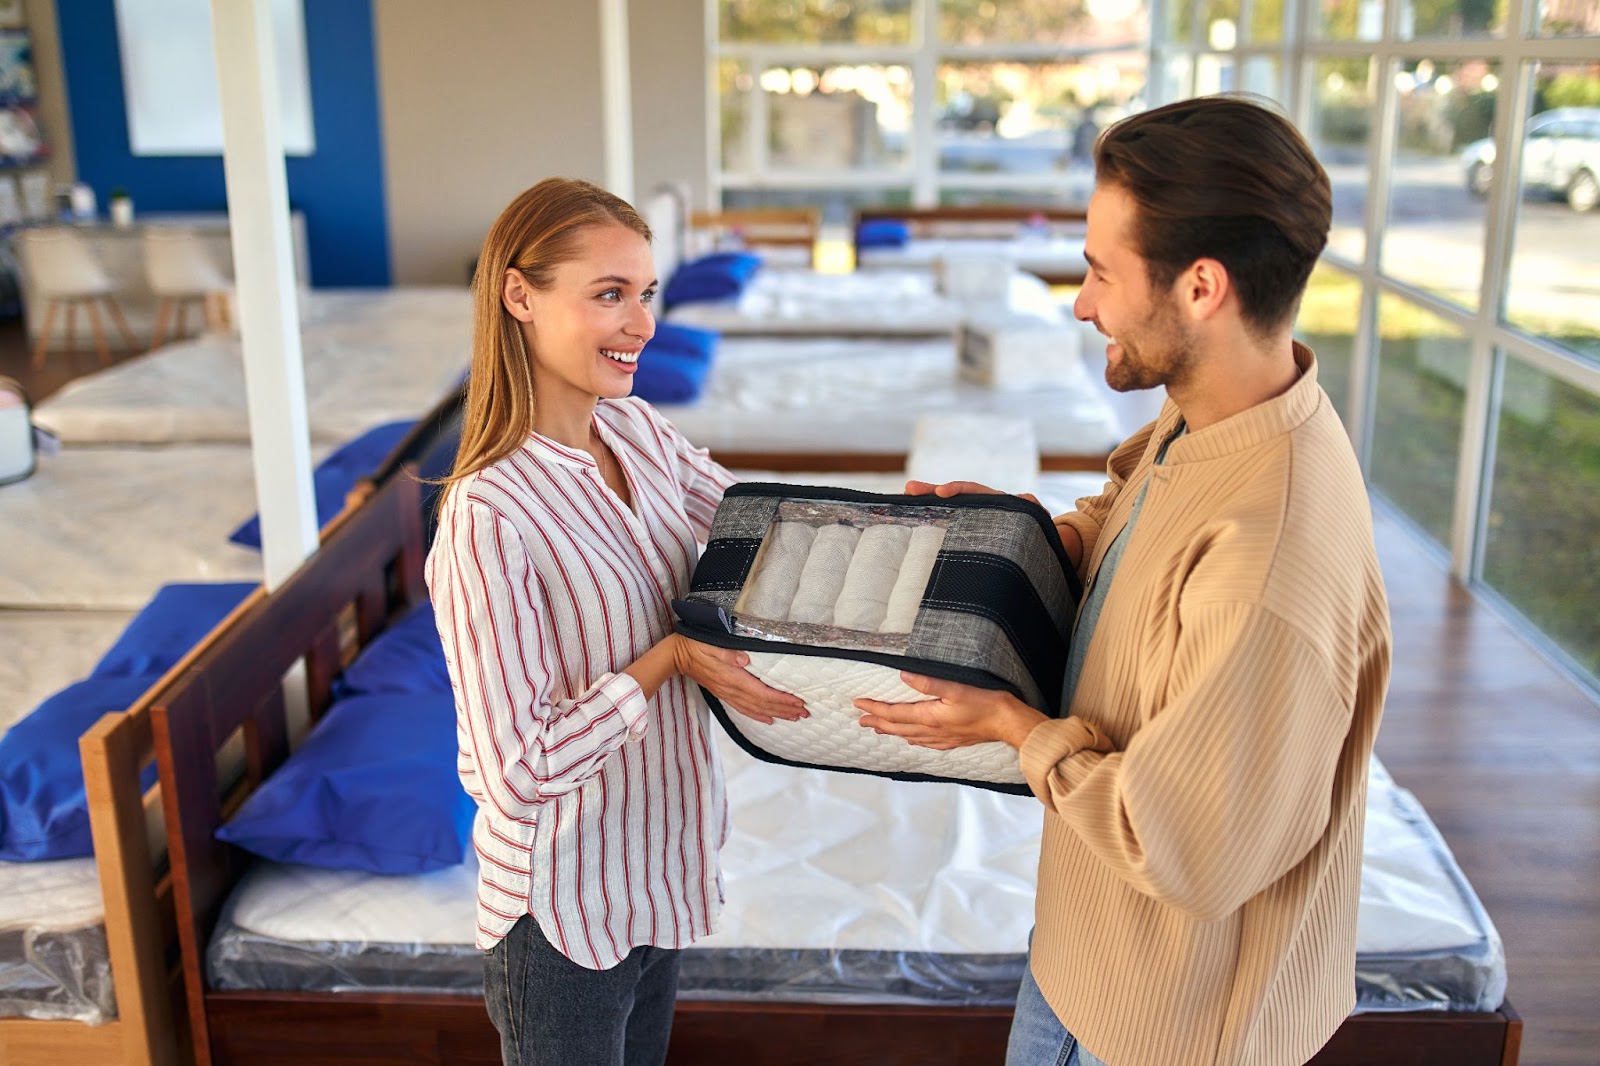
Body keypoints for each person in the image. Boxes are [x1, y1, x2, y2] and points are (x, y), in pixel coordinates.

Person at [856, 96, 1392, 1066]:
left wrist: (1010, 728)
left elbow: (1182, 845)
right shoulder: (1218, 415)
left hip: (1161, 1026)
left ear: (1199, 287)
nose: (1082, 301)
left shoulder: (1264, 558)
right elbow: (1128, 512)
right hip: (1085, 955)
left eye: (1102, 271)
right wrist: (1017, 539)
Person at [426, 177, 807, 1066]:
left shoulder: (635, 431)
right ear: (520, 296)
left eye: (646, 294)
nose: (641, 324)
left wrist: (910, 527)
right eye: (608, 295)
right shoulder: (490, 515)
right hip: (562, 918)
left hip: (654, 874)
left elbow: (761, 526)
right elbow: (517, 771)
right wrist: (666, 659)